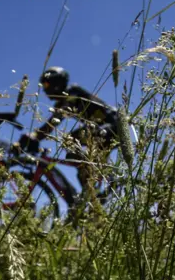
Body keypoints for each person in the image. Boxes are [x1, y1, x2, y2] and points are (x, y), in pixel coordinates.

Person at [18, 67, 118, 203]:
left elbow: (54, 120)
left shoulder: (73, 92)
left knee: (71, 142)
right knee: (77, 156)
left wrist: (34, 136)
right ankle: (91, 190)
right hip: (98, 127)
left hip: (112, 126)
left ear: (56, 83)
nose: (44, 89)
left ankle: (104, 182)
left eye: (46, 84)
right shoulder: (65, 99)